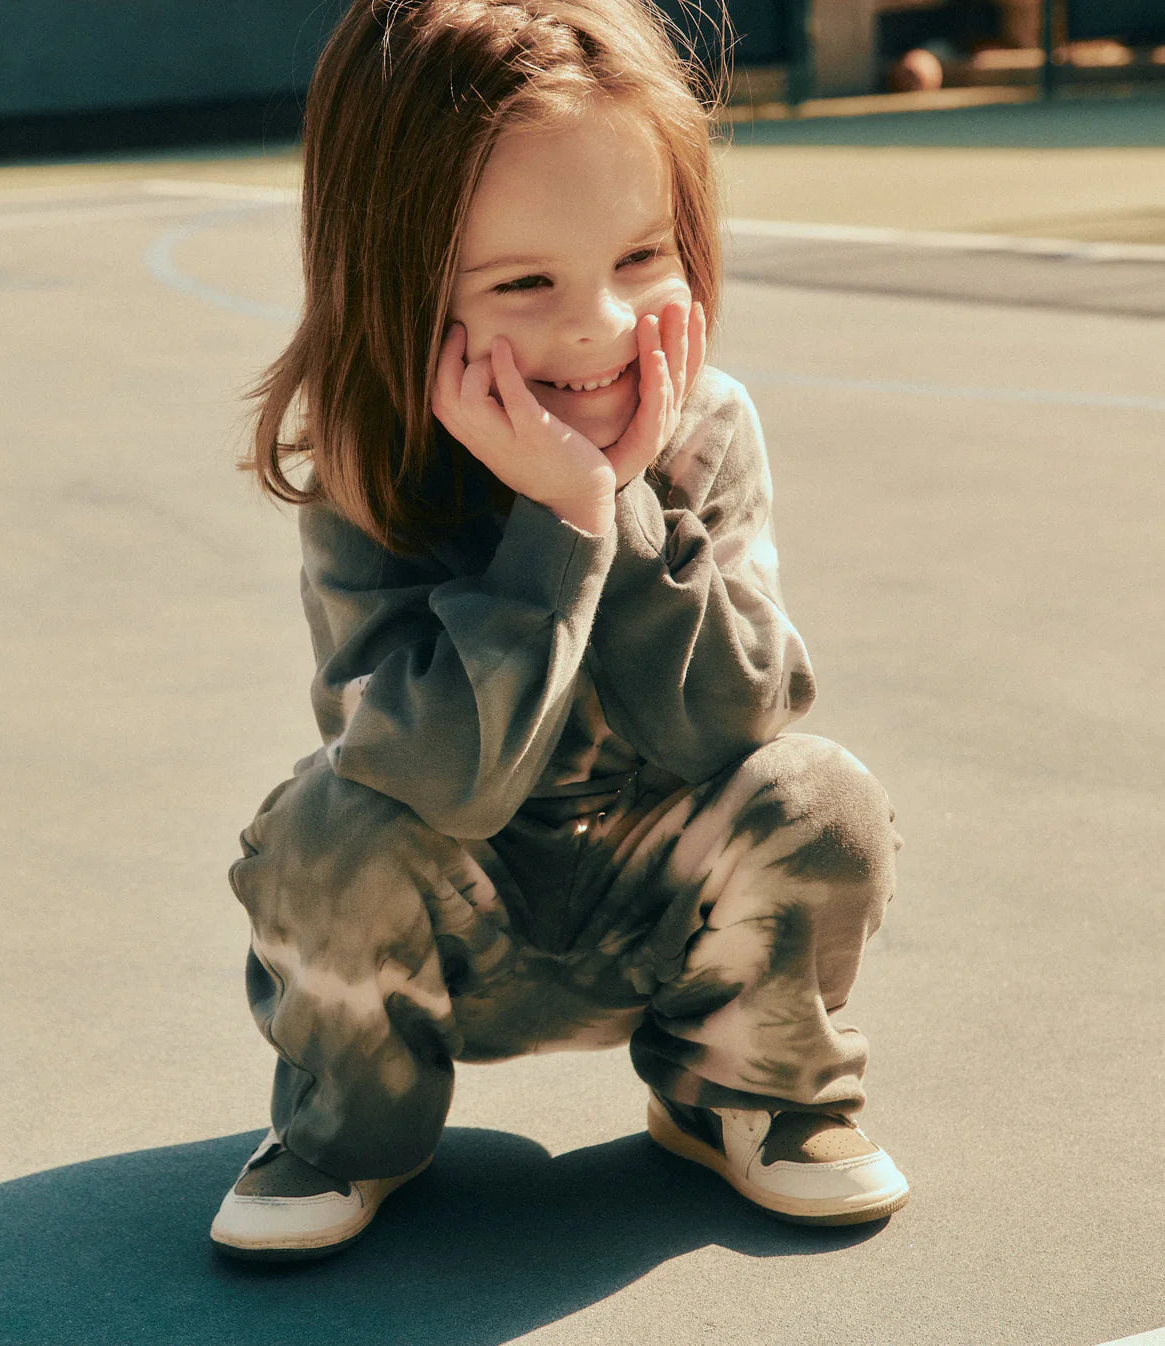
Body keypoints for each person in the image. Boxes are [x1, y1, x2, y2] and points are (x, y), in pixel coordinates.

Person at [210, 0, 909, 1261]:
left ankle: (737, 1089)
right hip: (449, 929)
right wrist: (561, 522)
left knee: (821, 794)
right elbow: (430, 779)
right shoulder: (369, 458)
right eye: (524, 281)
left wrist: (624, 510)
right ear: (397, 276)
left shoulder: (699, 422)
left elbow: (735, 721)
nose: (596, 325)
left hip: (660, 909)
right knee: (323, 822)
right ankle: (348, 1124)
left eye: (642, 258)